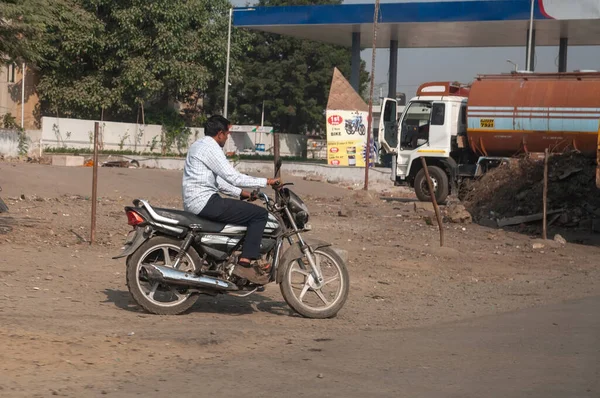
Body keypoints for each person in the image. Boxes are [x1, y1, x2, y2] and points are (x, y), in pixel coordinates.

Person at [182, 115, 280, 284]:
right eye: (227, 134)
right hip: (205, 201)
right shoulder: (210, 148)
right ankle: (245, 262)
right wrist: (266, 182)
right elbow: (232, 177)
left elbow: (219, 181)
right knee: (259, 215)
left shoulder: (199, 145)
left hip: (197, 201)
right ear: (220, 133)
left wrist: (244, 194)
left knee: (244, 212)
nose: (227, 138)